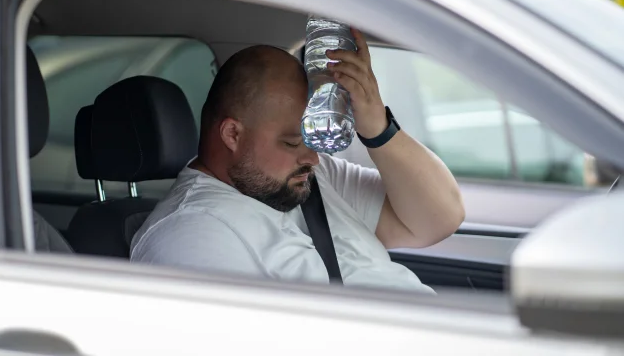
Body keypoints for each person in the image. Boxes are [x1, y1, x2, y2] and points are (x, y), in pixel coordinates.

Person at [130, 29, 464, 293]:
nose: (314, 157)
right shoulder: (190, 234)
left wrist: (377, 128)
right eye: (292, 141)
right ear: (232, 134)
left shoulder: (310, 176)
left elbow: (438, 219)